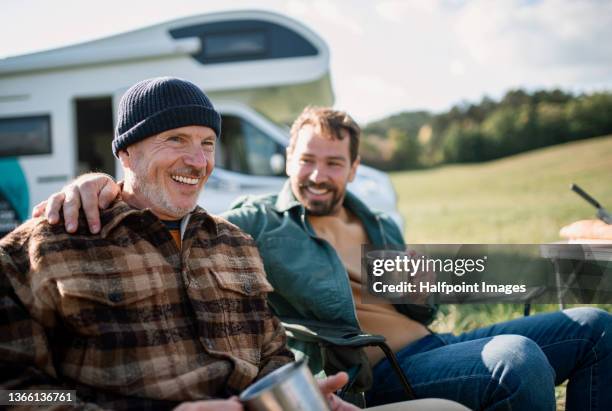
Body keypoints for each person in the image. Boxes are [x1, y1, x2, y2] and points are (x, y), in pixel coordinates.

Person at [37, 106, 612, 410]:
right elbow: (171, 215)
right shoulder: (258, 222)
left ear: (354, 168)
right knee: (518, 357)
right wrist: (100, 182)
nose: (317, 174)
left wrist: (581, 251)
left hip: (437, 348)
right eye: (307, 159)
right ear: (288, 158)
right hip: (374, 368)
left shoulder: (375, 221)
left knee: (596, 327)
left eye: (334, 163)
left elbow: (469, 280)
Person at [1, 77, 358, 411]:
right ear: (125, 153)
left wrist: (301, 397)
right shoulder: (41, 251)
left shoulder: (235, 244)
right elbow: (13, 391)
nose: (199, 161)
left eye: (207, 143)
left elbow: (272, 357)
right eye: (175, 139)